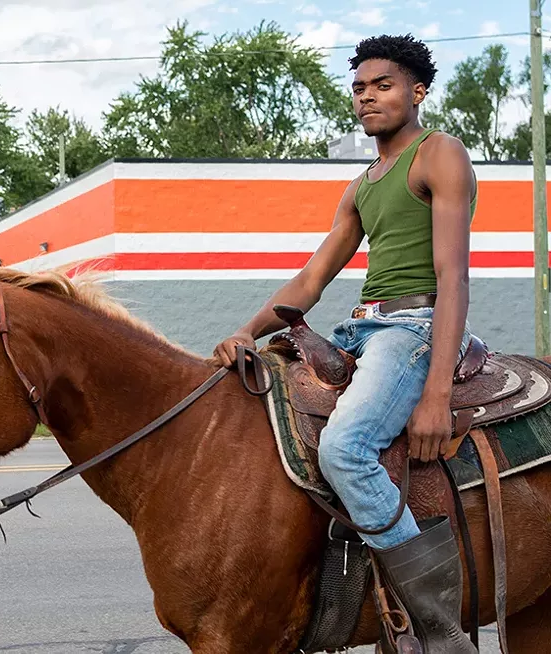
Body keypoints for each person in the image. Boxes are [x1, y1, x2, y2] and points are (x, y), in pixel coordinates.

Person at [214, 35, 477, 653]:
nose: (367, 97)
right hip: (360, 329)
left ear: (417, 91)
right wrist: (244, 332)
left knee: (347, 447)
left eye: (382, 85)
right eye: (359, 88)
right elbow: (311, 279)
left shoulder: (440, 154)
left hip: (415, 329)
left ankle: (439, 631)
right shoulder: (362, 184)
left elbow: (453, 277)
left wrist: (435, 394)